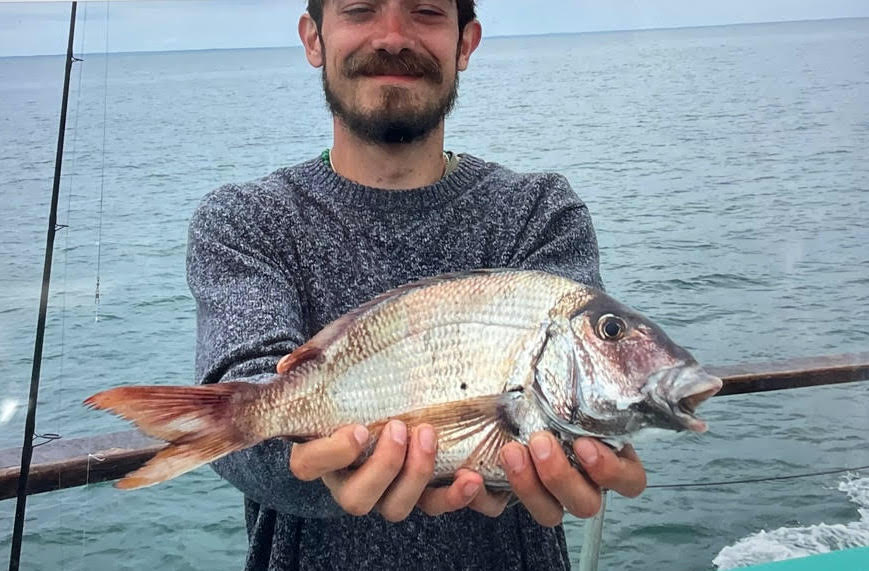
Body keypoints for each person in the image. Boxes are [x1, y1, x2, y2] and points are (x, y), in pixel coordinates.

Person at [186, 1, 647, 569]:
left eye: (426, 11)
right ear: (313, 39)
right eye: (360, 9)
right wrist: (313, 464)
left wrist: (576, 460)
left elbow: (570, 389)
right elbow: (239, 400)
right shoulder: (246, 219)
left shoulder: (540, 211)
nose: (393, 37)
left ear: (465, 43)